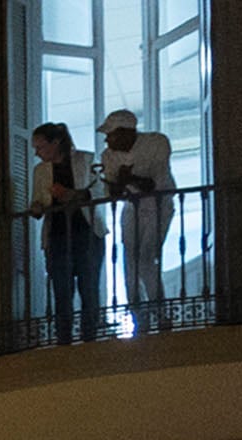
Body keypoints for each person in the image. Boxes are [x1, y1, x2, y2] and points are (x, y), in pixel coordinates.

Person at [29, 122, 105, 343]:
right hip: (57, 236)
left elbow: (100, 190)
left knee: (89, 287)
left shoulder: (87, 160)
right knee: (62, 291)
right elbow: (38, 200)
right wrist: (36, 207)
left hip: (87, 232)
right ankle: (64, 339)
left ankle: (90, 336)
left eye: (41, 147)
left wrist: (74, 195)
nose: (37, 152)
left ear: (56, 143)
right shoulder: (41, 171)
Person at [96, 109, 176, 314]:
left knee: (146, 258)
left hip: (159, 205)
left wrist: (128, 179)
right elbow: (112, 192)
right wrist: (119, 182)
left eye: (110, 135)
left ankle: (160, 310)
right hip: (131, 207)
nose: (107, 141)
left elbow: (154, 184)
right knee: (129, 261)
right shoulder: (108, 156)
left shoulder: (157, 143)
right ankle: (137, 314)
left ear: (125, 132)